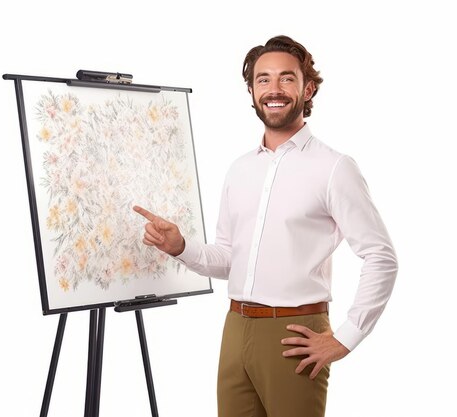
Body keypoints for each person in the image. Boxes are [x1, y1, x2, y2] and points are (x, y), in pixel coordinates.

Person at [134, 35, 398, 417]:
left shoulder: (334, 168)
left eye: (286, 79)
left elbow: (381, 256)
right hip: (235, 327)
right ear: (252, 90)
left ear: (308, 88)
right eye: (263, 79)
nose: (274, 90)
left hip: (294, 334)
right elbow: (228, 258)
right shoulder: (241, 169)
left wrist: (345, 339)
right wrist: (181, 247)